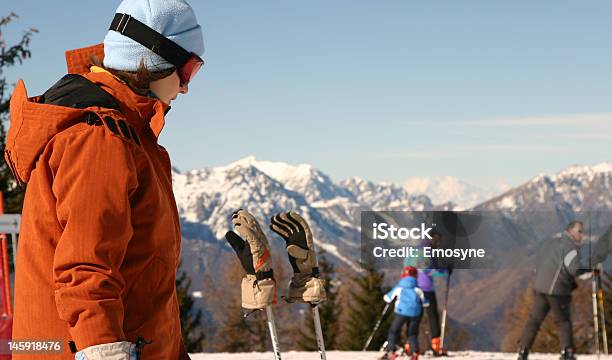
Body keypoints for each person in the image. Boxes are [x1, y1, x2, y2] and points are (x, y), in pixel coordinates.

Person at [4, 0, 204, 359]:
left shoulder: (128, 134)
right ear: (153, 60)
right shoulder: (99, 139)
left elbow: (143, 277)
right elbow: (85, 270)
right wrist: (103, 351)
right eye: (189, 68)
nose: (187, 87)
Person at [517, 221, 592, 360]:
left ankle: (523, 351)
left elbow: (539, 261)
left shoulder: (550, 242)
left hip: (540, 287)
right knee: (563, 321)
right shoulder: (570, 247)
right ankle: (567, 353)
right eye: (580, 231)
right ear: (571, 231)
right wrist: (589, 270)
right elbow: (574, 269)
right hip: (557, 290)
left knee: (534, 320)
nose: (582, 235)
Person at [403, 230, 450, 356]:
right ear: (433, 238)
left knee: (414, 317)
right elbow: (429, 270)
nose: (439, 243)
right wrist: (445, 270)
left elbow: (406, 265)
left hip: (413, 288)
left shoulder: (414, 250)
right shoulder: (428, 251)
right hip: (426, 289)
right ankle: (436, 345)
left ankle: (409, 345)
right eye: (438, 239)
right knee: (433, 316)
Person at [379, 266, 428, 360]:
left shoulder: (400, 287)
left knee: (394, 331)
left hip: (401, 312)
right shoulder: (418, 288)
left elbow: (387, 298)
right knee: (412, 333)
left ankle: (391, 351)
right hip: (415, 313)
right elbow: (426, 302)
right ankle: (414, 353)